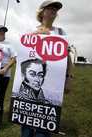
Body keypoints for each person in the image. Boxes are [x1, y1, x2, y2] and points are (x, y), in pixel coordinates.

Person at [21, 0, 74, 137]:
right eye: (50, 8)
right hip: (32, 79)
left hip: (52, 82)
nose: (54, 11)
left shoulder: (61, 32)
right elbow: (23, 53)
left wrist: (68, 77)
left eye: (56, 9)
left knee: (45, 120)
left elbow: (67, 57)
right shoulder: (31, 31)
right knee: (27, 119)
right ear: (42, 11)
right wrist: (34, 36)